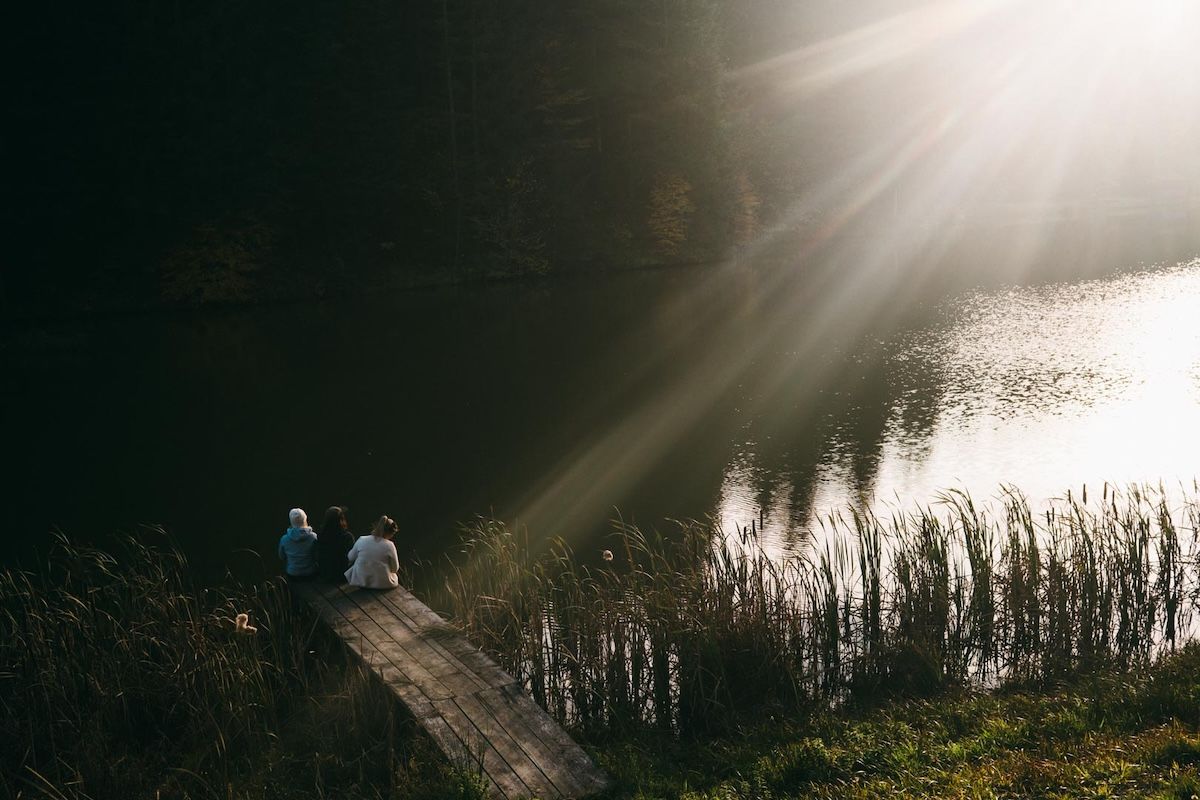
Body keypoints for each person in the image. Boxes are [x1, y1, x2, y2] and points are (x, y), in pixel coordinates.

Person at [344, 515, 400, 589]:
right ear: (390, 533)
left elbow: (350, 557)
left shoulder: (362, 539)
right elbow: (395, 569)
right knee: (393, 575)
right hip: (383, 584)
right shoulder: (390, 545)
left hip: (360, 581)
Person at [316, 505, 355, 583]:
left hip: (325, 575)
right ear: (341, 520)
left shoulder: (320, 535)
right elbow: (353, 557)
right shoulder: (347, 537)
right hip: (342, 576)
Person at [278, 507, 318, 581]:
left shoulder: (284, 539)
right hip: (311, 573)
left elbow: (281, 556)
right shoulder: (313, 537)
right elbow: (317, 555)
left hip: (292, 574)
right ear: (305, 519)